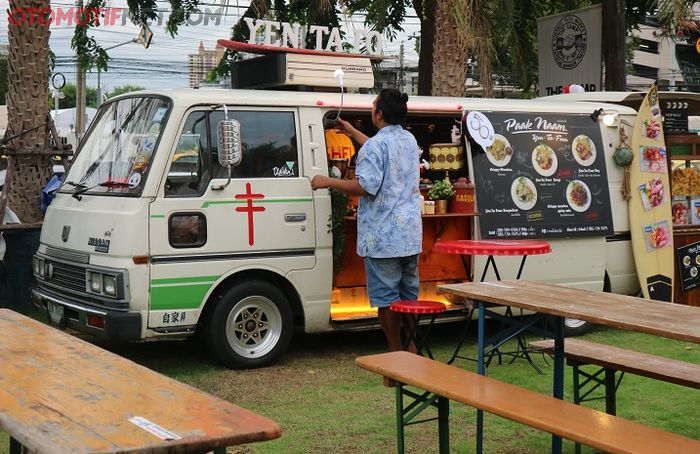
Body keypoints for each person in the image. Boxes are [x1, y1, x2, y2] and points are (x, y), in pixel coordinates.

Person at [311, 89, 422, 353]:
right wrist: (350, 131)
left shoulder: (375, 146)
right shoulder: (408, 139)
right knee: (409, 298)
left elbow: (365, 186)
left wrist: (327, 181)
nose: (372, 109)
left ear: (379, 113)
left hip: (382, 239)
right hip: (409, 236)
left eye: (373, 106)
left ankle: (395, 356)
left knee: (386, 300)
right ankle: (414, 349)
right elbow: (381, 148)